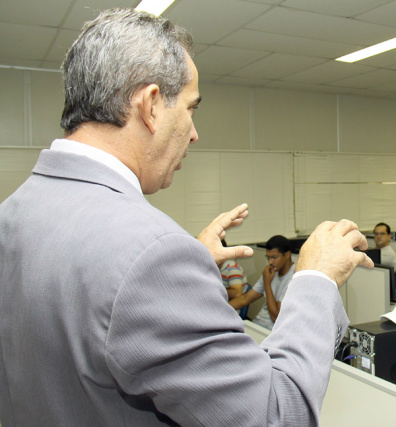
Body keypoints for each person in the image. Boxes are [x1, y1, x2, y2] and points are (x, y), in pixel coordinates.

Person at [0, 9, 374, 427]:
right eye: (191, 108)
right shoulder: (149, 255)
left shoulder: (13, 213)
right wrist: (315, 280)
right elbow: (277, 415)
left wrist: (181, 264)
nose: (194, 133)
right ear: (151, 105)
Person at [229, 235, 295, 330]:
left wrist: (267, 283)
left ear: (287, 255)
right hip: (258, 324)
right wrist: (220, 310)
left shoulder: (293, 277)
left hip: (273, 330)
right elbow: (245, 299)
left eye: (274, 257)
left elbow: (276, 317)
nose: (270, 262)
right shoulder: (271, 271)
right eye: (268, 258)